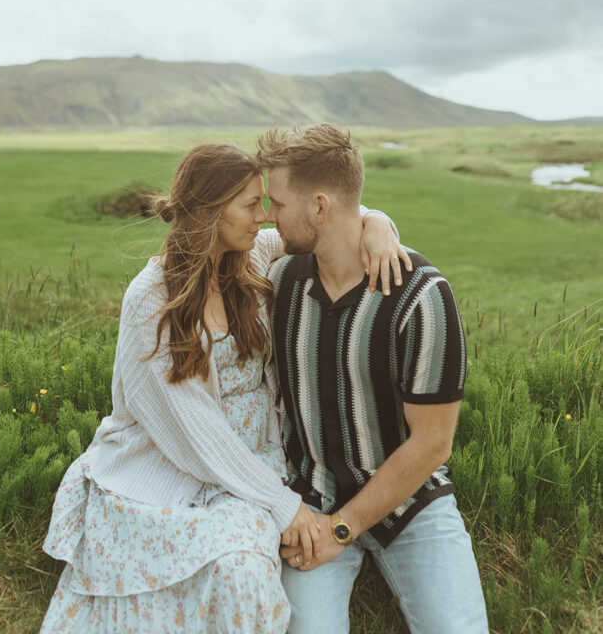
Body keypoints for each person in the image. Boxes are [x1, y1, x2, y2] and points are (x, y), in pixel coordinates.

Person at [39, 142, 405, 634]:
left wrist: (378, 222)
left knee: (243, 572)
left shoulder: (250, 257)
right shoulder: (151, 300)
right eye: (252, 206)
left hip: (254, 464)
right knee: (219, 565)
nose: (266, 218)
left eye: (264, 203)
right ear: (212, 213)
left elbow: (333, 221)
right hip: (168, 463)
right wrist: (284, 507)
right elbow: (194, 429)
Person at [256, 125, 489, 634]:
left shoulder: (422, 296)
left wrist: (342, 529)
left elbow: (432, 445)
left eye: (276, 203)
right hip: (310, 503)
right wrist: (375, 217)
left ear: (319, 208)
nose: (266, 216)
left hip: (412, 506)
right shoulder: (278, 282)